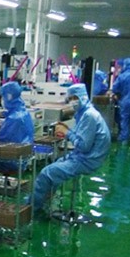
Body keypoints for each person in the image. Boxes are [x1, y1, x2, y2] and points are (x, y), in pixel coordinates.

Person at [32, 83, 111, 212]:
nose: (73, 101)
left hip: (88, 160)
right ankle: (44, 203)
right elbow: (80, 136)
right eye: (70, 99)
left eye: (75, 98)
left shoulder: (89, 116)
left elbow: (84, 146)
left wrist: (67, 132)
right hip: (82, 156)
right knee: (55, 166)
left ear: (83, 96)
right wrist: (66, 129)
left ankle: (32, 209)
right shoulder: (84, 113)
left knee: (46, 173)